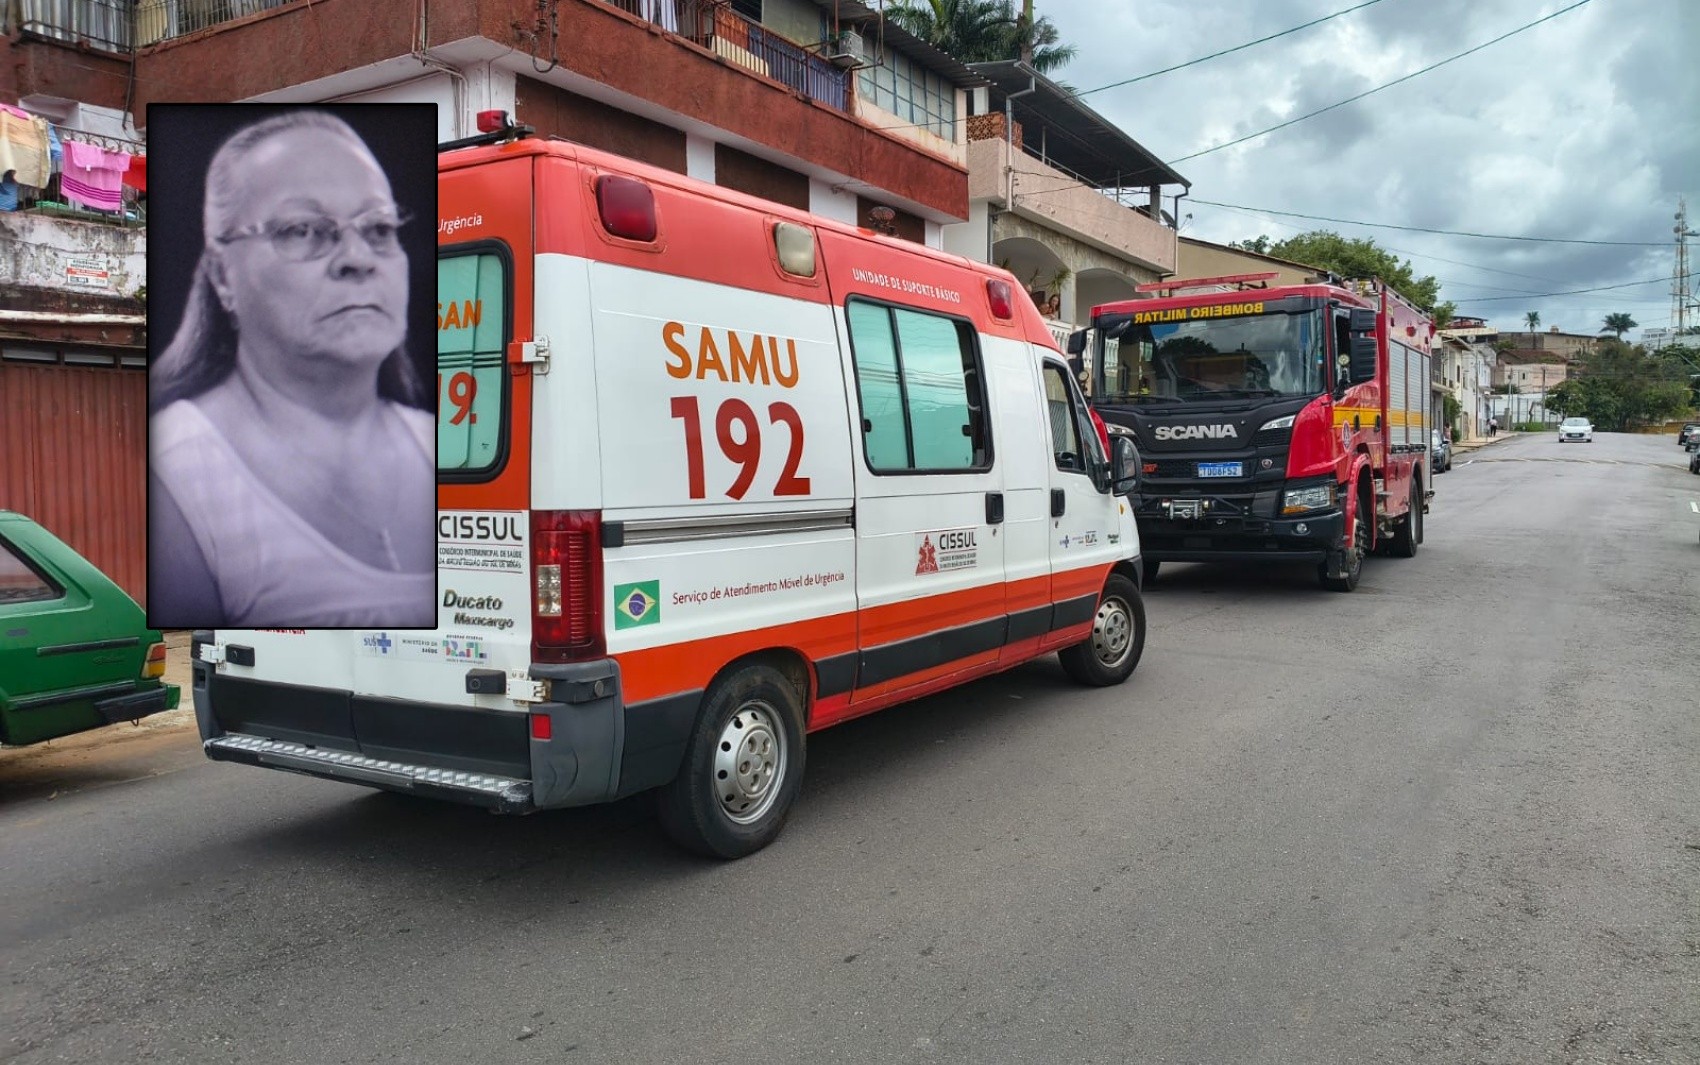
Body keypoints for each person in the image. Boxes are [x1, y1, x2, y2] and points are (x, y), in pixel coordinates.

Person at [149, 110, 435, 628]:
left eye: (378, 228)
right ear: (222, 274)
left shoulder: (436, 442)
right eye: (303, 230)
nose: (357, 258)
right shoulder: (176, 477)